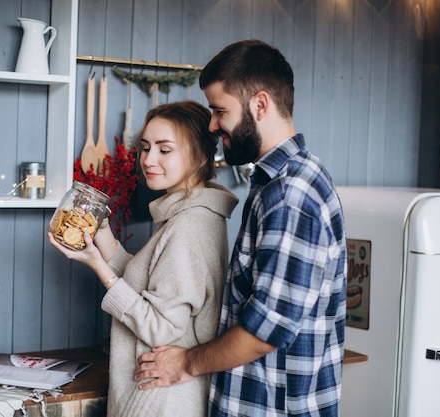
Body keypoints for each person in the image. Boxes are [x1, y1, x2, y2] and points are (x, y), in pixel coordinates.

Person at [134, 40, 347, 417]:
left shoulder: (290, 194)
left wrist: (184, 363)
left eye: (220, 111)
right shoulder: (276, 182)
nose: (213, 125)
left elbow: (266, 330)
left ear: (260, 104)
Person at [48, 100, 239, 417]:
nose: (148, 160)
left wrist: (98, 267)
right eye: (145, 148)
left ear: (201, 156)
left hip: (161, 400)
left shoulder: (189, 226)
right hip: (158, 395)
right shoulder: (187, 215)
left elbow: (160, 328)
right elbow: (148, 284)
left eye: (165, 150)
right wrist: (102, 233)